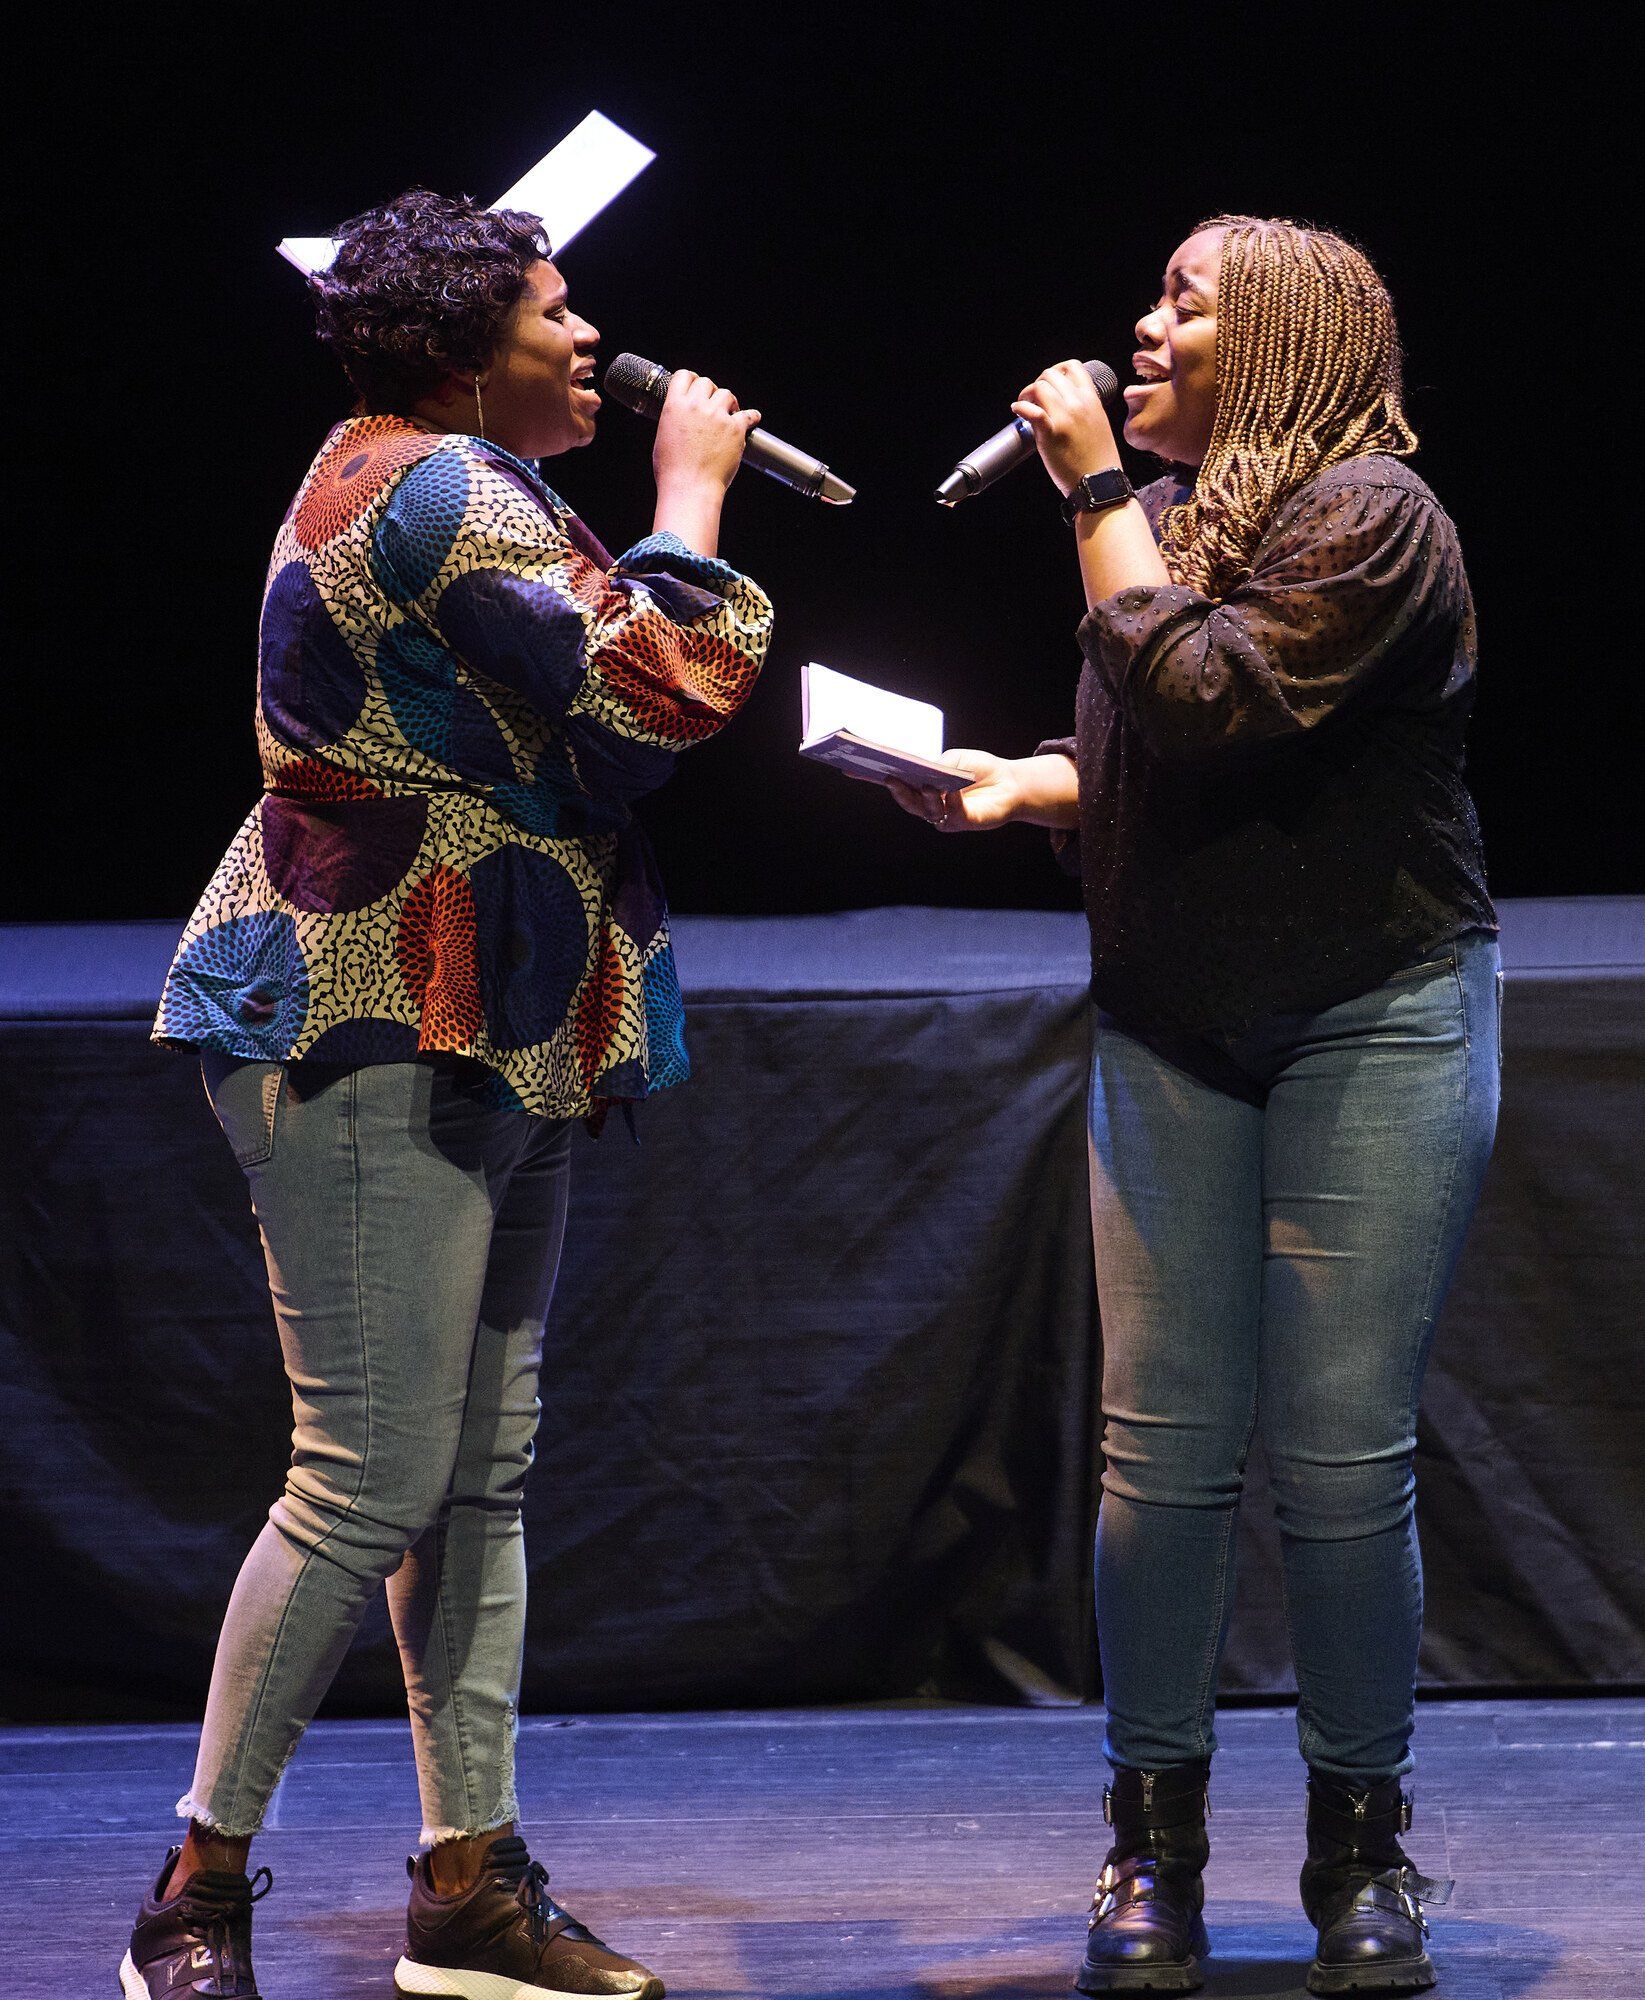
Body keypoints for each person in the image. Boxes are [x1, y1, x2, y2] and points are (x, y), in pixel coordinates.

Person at [126, 189, 773, 2000]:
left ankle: (468, 1886)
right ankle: (192, 1894)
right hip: (366, 1004)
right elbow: (659, 694)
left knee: (477, 1477)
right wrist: (693, 502)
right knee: (368, 1477)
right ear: (464, 349)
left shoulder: (456, 476)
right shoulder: (437, 489)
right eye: (557, 313)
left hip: (485, 998)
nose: (592, 339)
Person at [887, 215, 1497, 1997]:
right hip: (1173, 1023)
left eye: (1184, 303)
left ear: (1284, 341)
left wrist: (1089, 490)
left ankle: (1358, 1849)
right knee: (1155, 1460)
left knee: (1338, 1458)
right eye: (1151, 300)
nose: (1140, 332)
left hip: (1369, 1012)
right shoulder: (1180, 522)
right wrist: (1028, 787)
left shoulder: (1375, 514)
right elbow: (1160, 743)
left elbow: (1219, 703)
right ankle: (1149, 1843)